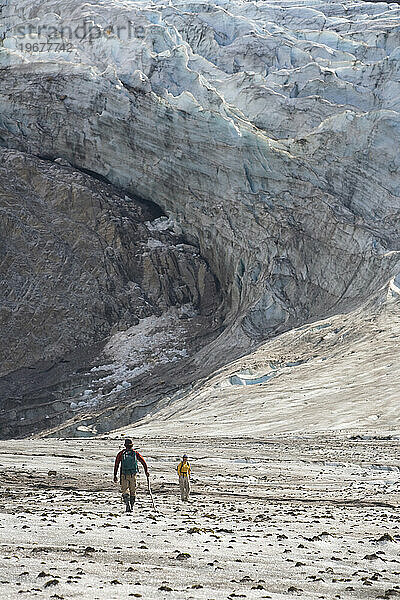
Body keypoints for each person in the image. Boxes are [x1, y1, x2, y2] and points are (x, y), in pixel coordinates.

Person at [114, 439, 149, 513]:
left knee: (125, 490)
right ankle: (132, 506)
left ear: (125, 445)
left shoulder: (121, 453)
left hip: (124, 474)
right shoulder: (135, 453)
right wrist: (146, 471)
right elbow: (143, 462)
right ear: (132, 445)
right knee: (133, 491)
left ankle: (127, 504)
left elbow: (116, 464)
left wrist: (115, 475)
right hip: (133, 474)